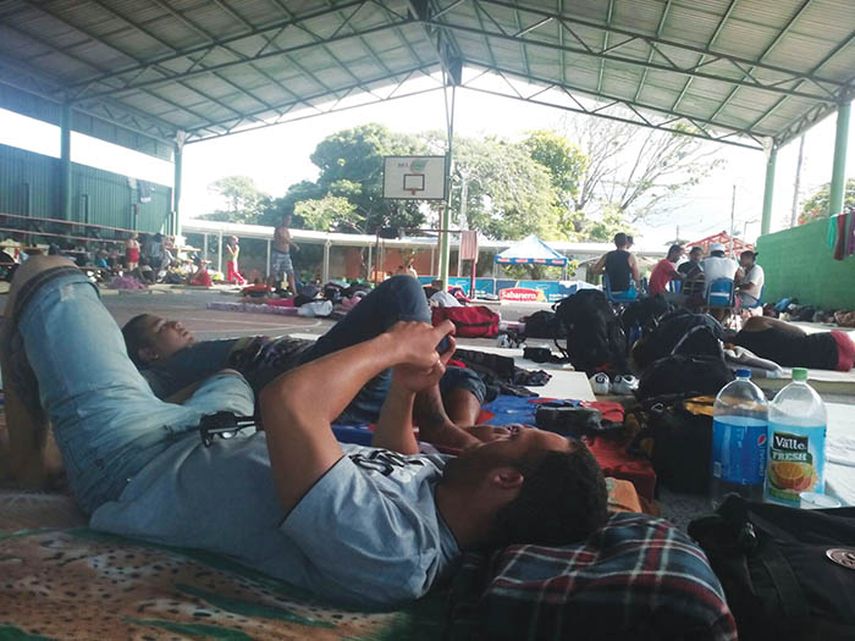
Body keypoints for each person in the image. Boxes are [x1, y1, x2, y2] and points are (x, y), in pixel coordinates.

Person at [1, 256, 609, 606]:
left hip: (135, 463)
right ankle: (99, 384)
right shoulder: (444, 494)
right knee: (229, 373)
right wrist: (404, 386)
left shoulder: (394, 554)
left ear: (506, 481)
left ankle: (34, 459)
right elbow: (398, 455)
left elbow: (289, 401)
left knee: (47, 277)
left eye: (513, 441)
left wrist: (391, 345)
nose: (498, 435)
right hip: (211, 429)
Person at [121, 275, 487, 445]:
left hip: (335, 369)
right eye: (161, 327)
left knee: (460, 374)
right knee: (402, 289)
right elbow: (127, 393)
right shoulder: (169, 369)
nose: (176, 324)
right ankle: (438, 426)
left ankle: (461, 429)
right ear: (148, 353)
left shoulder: (199, 353)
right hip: (313, 375)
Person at [731, 317, 855, 372]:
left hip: (836, 363)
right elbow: (800, 332)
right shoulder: (754, 323)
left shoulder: (742, 357)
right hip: (832, 343)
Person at [591, 232, 640, 298]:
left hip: (609, 293)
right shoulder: (631, 257)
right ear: (626, 242)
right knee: (640, 296)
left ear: (615, 243)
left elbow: (595, 270)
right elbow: (636, 277)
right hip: (625, 293)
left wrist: (605, 272)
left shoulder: (607, 255)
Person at [272, 214, 299, 294]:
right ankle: (268, 291)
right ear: (283, 219)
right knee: (273, 273)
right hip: (278, 253)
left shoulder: (287, 230)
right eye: (287, 219)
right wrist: (294, 245)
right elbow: (283, 239)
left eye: (290, 220)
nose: (288, 221)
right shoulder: (279, 229)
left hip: (286, 255)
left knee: (290, 273)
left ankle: (294, 293)